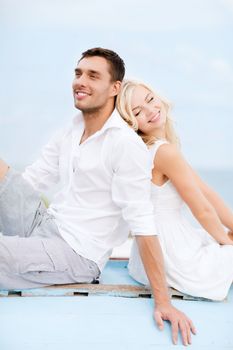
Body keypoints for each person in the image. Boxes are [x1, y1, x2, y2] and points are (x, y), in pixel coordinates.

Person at [116, 79, 233, 301]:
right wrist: (227, 242)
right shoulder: (164, 152)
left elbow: (205, 191)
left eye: (150, 99)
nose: (150, 110)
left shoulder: (150, 149)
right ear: (131, 122)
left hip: (147, 255)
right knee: (225, 243)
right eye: (138, 111)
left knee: (224, 236)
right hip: (173, 255)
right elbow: (203, 211)